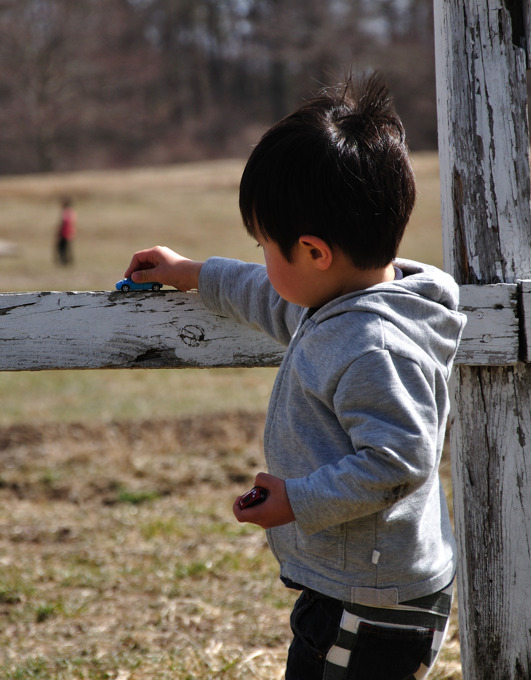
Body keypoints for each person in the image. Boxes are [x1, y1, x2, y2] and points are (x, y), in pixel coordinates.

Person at [124, 73, 465, 680]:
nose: (262, 260)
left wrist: (296, 500)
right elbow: (271, 295)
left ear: (313, 252)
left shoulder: (371, 345)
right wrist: (193, 273)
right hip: (360, 585)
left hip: (373, 603)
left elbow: (399, 460)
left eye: (264, 245)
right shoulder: (346, 302)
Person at [55, 197, 76, 265]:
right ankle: (68, 261)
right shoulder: (71, 211)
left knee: (62, 247)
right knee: (67, 247)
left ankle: (64, 261)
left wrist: (59, 231)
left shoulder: (66, 212)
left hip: (64, 231)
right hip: (69, 231)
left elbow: (64, 222)